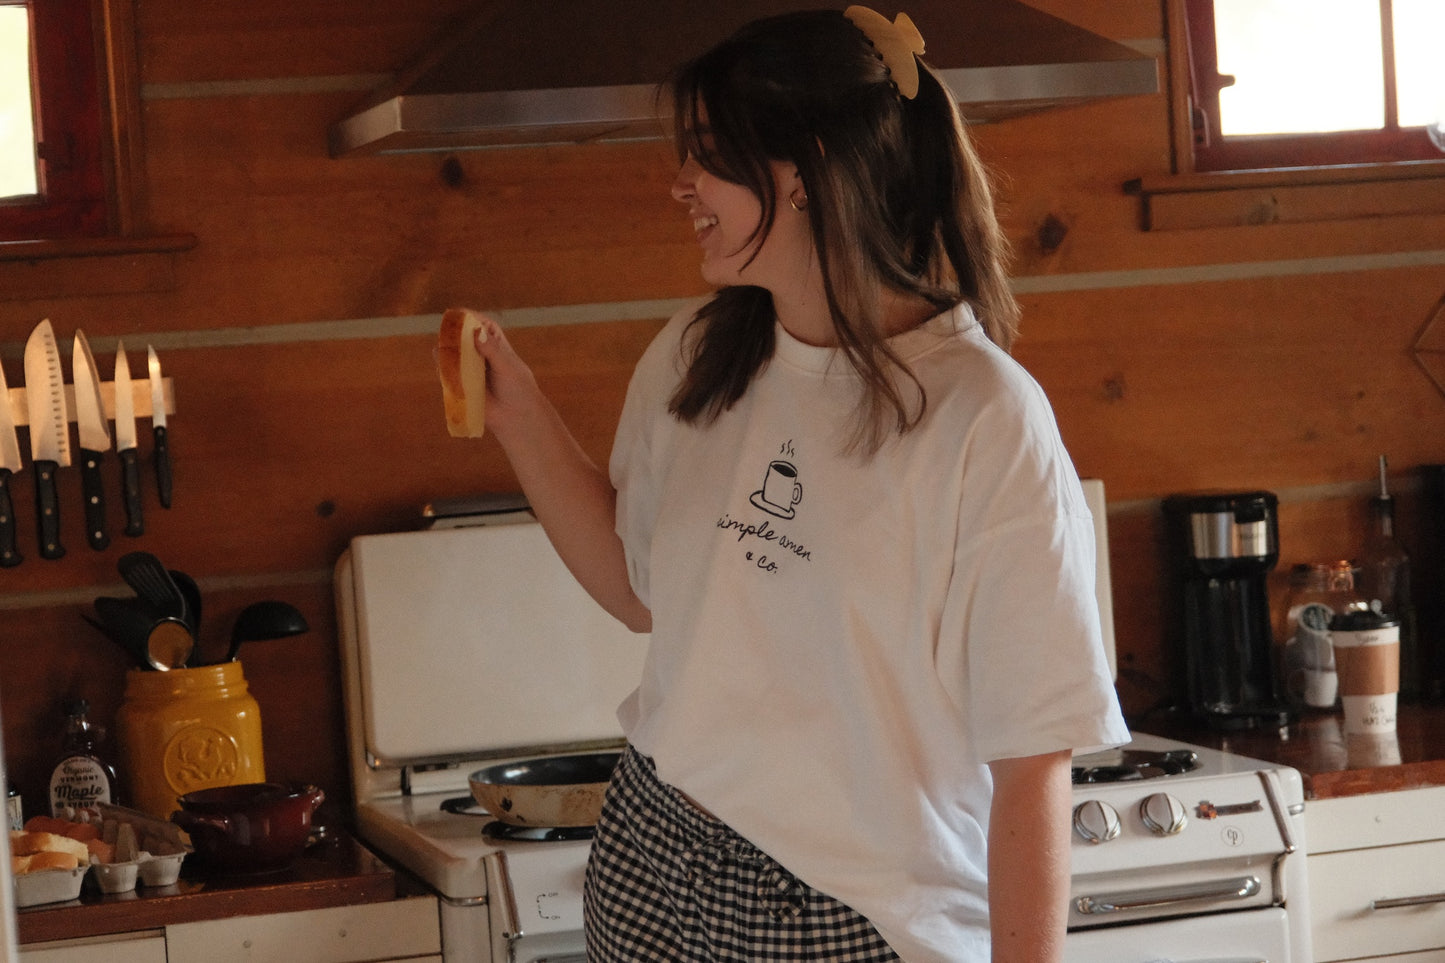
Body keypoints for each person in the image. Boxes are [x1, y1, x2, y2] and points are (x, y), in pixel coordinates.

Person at [465, 7, 1127, 961]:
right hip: (651, 864)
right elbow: (634, 586)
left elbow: (1033, 760)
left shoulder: (984, 416)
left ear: (806, 170)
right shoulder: (701, 354)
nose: (679, 184)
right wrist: (518, 414)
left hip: (845, 917)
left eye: (706, 156)